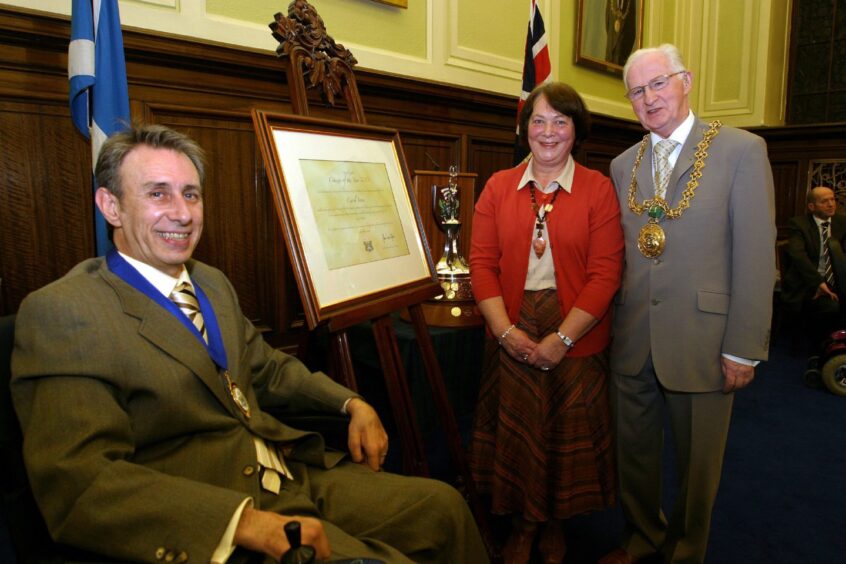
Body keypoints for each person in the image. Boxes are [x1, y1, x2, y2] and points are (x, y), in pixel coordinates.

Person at [10, 124, 488, 564]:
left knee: (443, 508)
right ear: (110, 206)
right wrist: (240, 522)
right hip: (213, 513)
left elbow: (266, 368)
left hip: (288, 472)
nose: (181, 213)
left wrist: (350, 403)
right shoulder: (64, 311)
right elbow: (81, 483)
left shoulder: (210, 283)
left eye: (191, 194)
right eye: (158, 194)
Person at [604, 44, 776, 564]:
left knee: (699, 463)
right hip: (633, 336)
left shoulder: (741, 150)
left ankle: (684, 551)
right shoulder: (621, 165)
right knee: (633, 454)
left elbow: (754, 253)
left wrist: (744, 347)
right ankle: (640, 536)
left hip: (706, 338)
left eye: (659, 83)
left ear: (687, 80)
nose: (649, 98)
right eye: (637, 90)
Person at [468, 82, 624, 564]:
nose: (549, 131)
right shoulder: (497, 186)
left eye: (561, 121)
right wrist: (505, 332)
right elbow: (481, 265)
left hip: (575, 331)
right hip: (512, 325)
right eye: (538, 121)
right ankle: (521, 526)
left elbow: (606, 274)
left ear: (577, 131)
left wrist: (562, 338)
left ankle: (554, 526)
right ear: (524, 129)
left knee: (560, 440)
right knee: (519, 438)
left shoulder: (598, 188)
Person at [781, 186, 846, 352]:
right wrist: (818, 283)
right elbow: (798, 256)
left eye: (833, 199)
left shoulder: (842, 221)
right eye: (825, 201)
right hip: (807, 282)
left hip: (838, 280)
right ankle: (826, 349)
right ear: (812, 207)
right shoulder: (798, 224)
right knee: (831, 307)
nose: (831, 204)